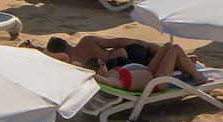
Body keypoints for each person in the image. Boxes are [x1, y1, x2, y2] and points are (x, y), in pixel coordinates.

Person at [36, 35, 205, 88]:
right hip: (156, 82)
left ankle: (183, 65)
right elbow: (114, 43)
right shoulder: (109, 78)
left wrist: (38, 49)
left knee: (169, 45)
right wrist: (138, 41)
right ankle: (198, 77)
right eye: (100, 64)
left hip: (147, 72)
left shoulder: (110, 72)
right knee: (173, 49)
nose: (102, 63)